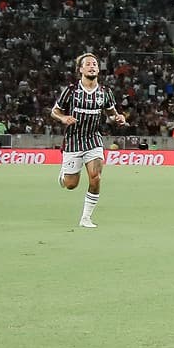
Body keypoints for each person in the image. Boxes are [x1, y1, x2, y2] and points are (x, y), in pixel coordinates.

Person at [50, 52, 129, 228]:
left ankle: (86, 218)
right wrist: (63, 118)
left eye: (95, 64)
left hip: (93, 139)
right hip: (73, 140)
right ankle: (64, 176)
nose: (92, 66)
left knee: (95, 177)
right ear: (81, 69)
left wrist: (119, 118)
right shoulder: (71, 91)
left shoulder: (105, 92)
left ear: (98, 69)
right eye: (88, 64)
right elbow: (54, 111)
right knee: (71, 185)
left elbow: (111, 113)